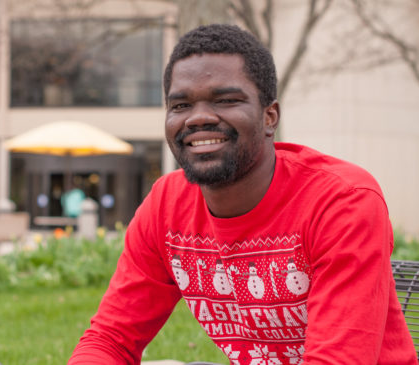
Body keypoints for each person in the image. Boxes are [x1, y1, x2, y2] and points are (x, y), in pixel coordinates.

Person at [68, 24, 417, 365]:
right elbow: (111, 339)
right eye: (180, 105)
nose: (198, 118)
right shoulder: (166, 204)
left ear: (270, 117)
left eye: (226, 100)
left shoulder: (342, 202)